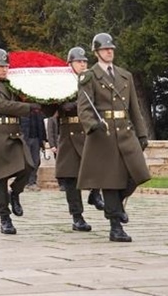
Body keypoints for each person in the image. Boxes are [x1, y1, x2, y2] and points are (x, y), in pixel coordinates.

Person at [77, 33, 151, 242]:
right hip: (104, 134)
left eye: (111, 48)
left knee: (139, 173)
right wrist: (93, 125)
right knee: (111, 181)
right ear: (97, 52)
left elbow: (134, 109)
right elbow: (84, 109)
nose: (109, 51)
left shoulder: (125, 75)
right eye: (105, 49)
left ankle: (115, 207)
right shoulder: (89, 76)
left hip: (126, 132)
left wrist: (142, 133)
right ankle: (115, 226)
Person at [0, 49, 41, 235]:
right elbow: (1, 105)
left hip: (14, 133)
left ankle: (15, 193)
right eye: (0, 66)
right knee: (0, 178)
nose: (4, 70)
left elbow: (24, 96)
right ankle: (4, 217)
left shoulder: (13, 85)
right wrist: (28, 108)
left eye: (6, 66)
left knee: (29, 166)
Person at [51, 47, 107, 232]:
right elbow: (63, 106)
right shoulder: (62, 83)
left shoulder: (91, 80)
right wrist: (81, 103)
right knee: (71, 179)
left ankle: (95, 193)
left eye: (84, 61)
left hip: (87, 130)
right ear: (70, 64)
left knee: (99, 165)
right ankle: (77, 216)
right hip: (69, 133)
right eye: (79, 61)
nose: (83, 64)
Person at [21, 110, 47, 192]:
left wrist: (43, 139)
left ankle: (32, 182)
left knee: (36, 161)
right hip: (25, 139)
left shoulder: (38, 112)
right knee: (27, 162)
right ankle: (25, 182)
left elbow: (41, 126)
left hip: (36, 139)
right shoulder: (22, 111)